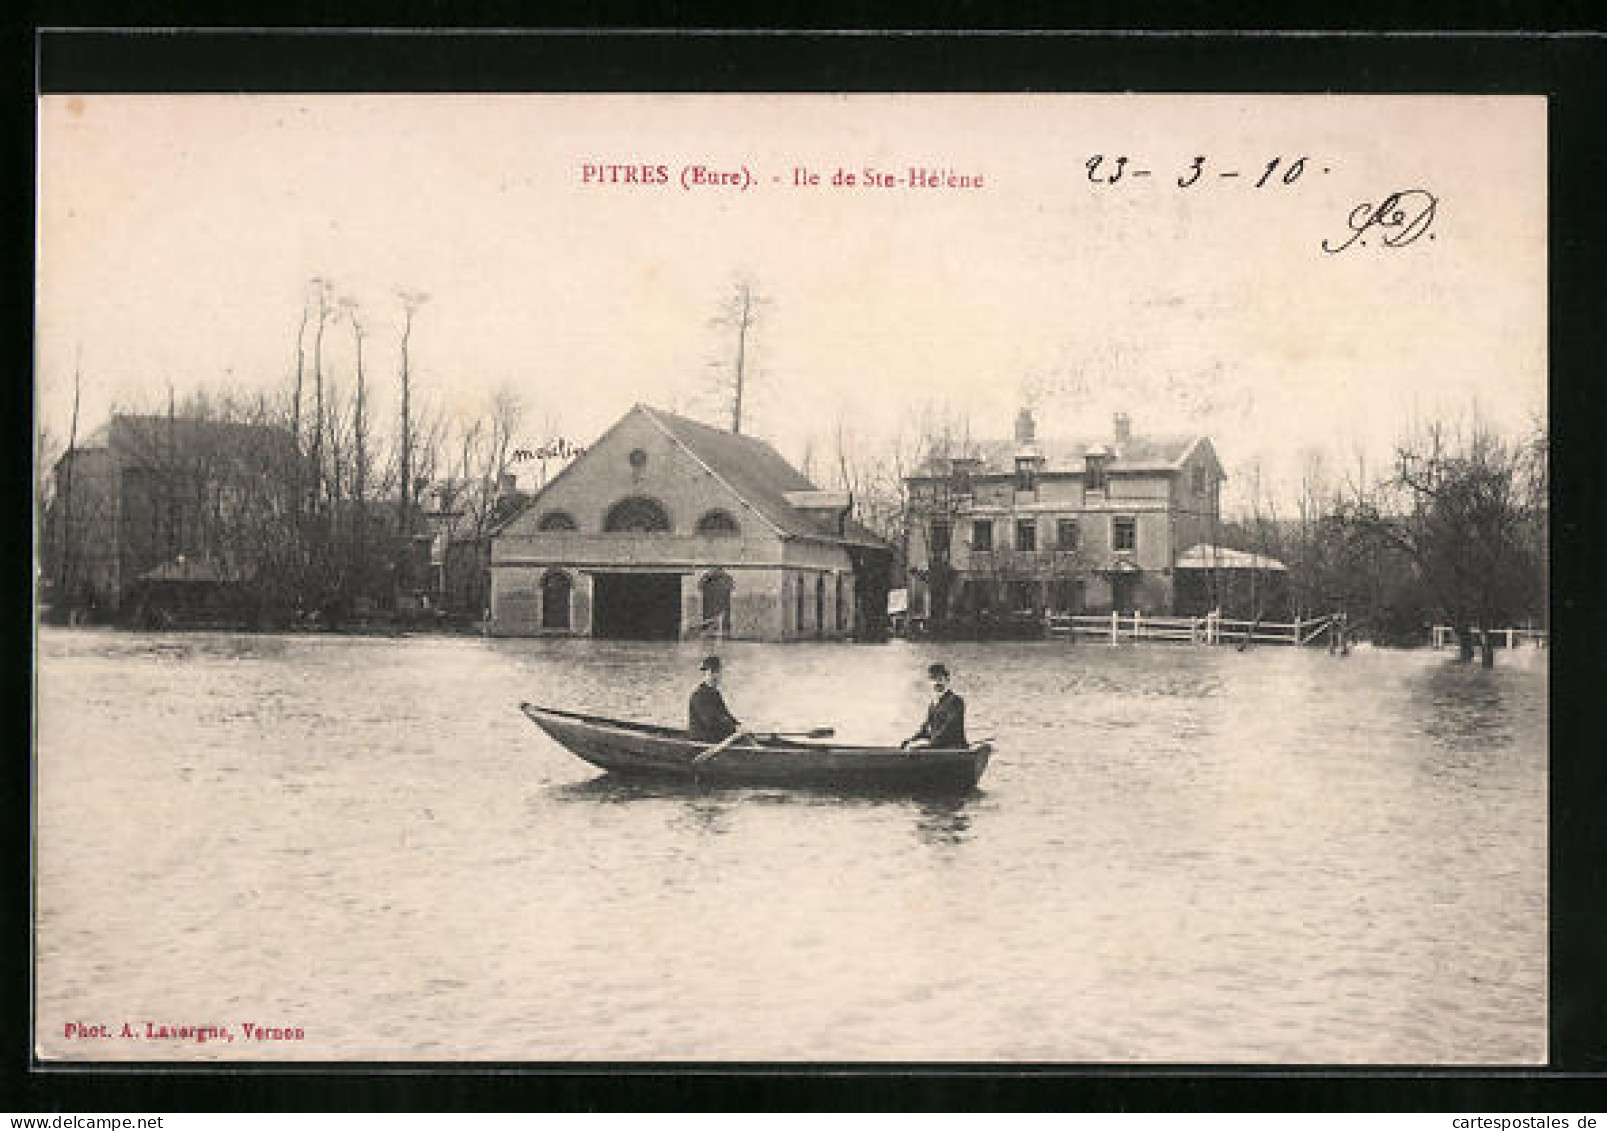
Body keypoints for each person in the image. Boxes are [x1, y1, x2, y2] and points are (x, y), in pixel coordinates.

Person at [902, 662, 968, 750]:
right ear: (929, 682)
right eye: (933, 679)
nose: (936, 683)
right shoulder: (933, 704)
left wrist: (928, 745)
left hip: (954, 748)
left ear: (947, 679)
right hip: (938, 747)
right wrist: (911, 740)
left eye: (940, 679)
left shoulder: (956, 701)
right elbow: (925, 729)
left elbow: (948, 729)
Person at [688, 655, 742, 742]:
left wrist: (738, 725)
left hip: (713, 736)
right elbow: (710, 722)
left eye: (718, 672)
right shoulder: (698, 696)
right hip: (701, 740)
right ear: (708, 674)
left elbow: (726, 714)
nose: (719, 676)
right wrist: (733, 728)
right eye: (714, 673)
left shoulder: (715, 693)